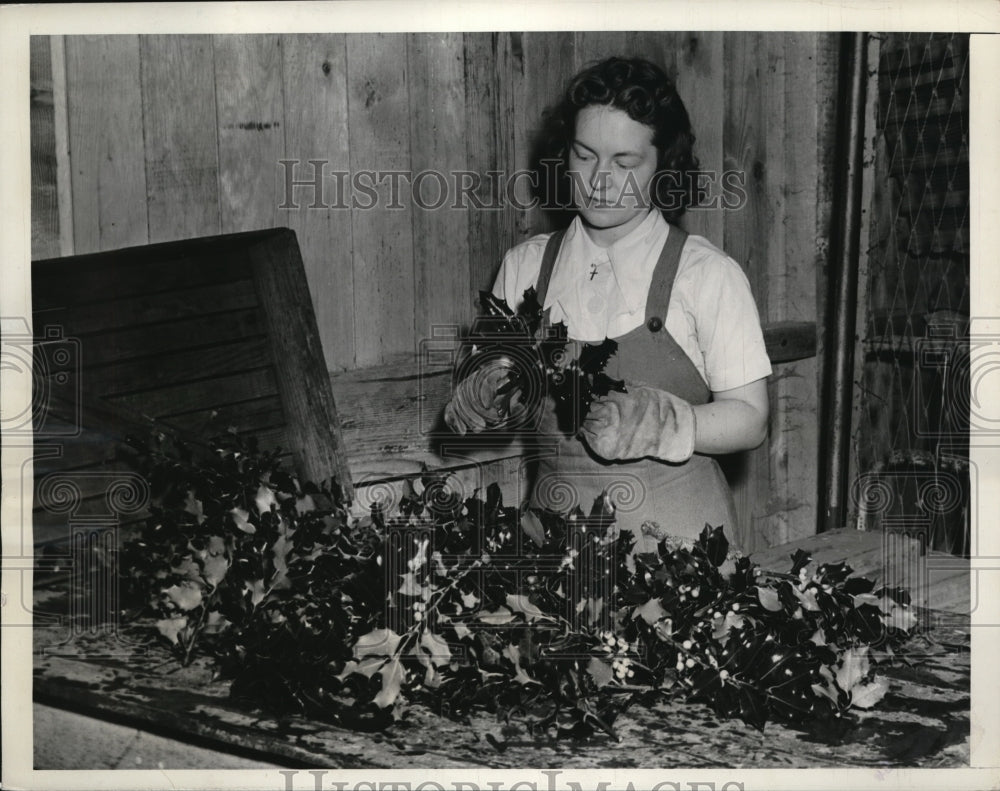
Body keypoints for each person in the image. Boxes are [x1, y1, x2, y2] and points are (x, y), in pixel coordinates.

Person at [444, 57, 771, 552]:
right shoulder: (525, 267)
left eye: (624, 163)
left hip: (678, 558)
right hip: (552, 556)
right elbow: (493, 394)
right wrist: (481, 395)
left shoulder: (707, 275)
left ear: (664, 165)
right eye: (584, 154)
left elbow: (751, 418)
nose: (599, 178)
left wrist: (664, 424)